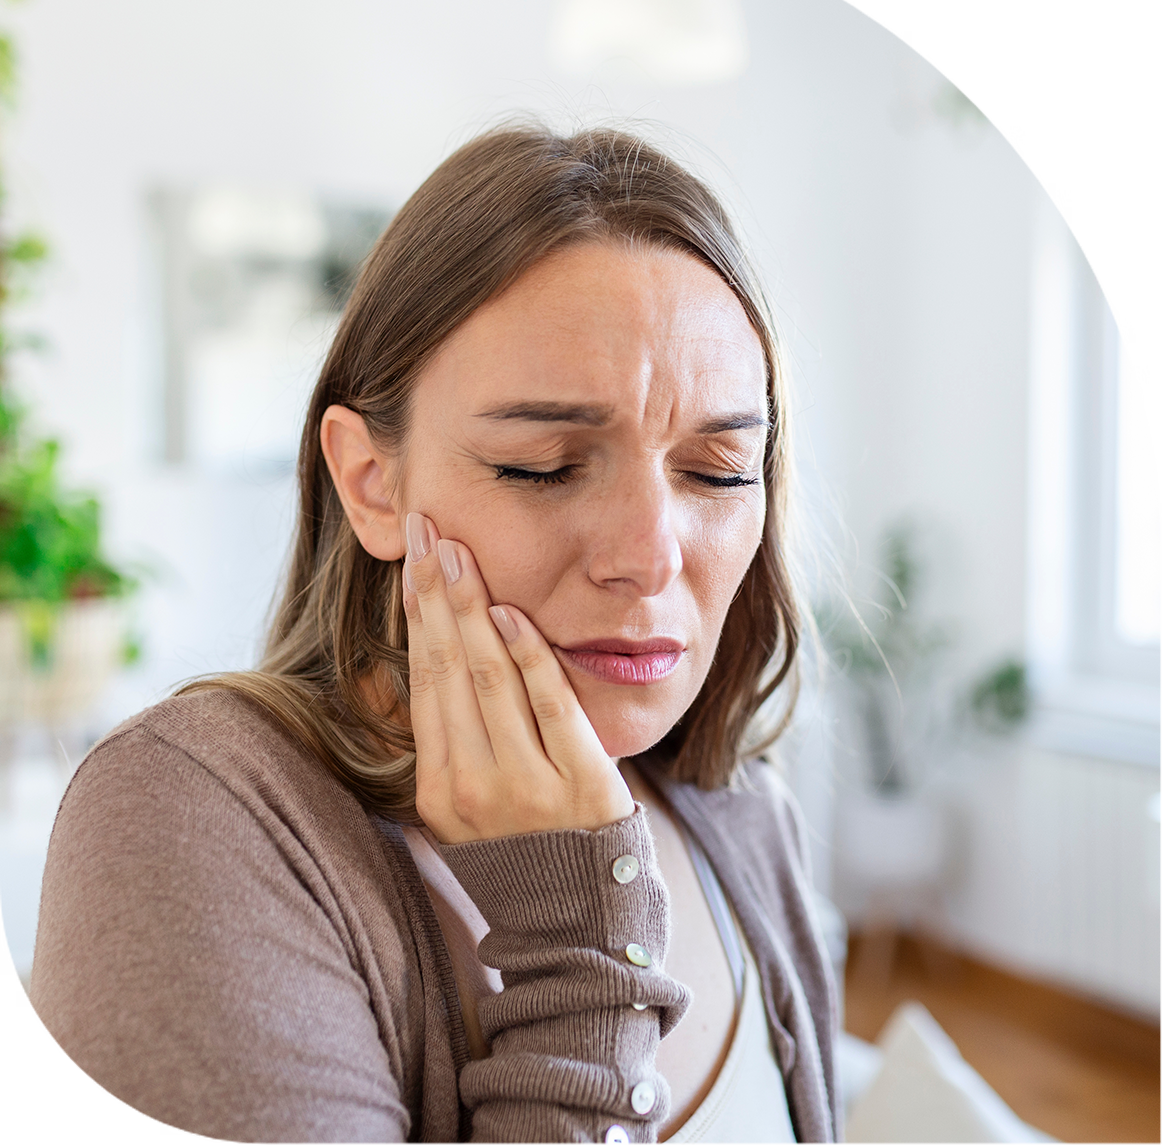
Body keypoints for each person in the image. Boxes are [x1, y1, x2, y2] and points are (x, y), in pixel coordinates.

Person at [25, 125, 840, 1144]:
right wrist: (573, 951)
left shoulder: (739, 811)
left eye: (717, 472)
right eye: (543, 464)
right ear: (371, 482)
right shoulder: (191, 818)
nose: (648, 555)